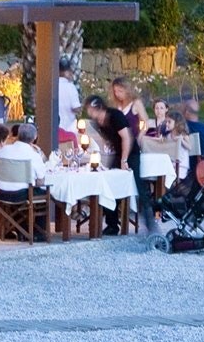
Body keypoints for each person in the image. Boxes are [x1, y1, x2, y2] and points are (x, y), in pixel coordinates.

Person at [87, 95, 142, 233]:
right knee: (109, 185)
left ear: (98, 107)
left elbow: (126, 137)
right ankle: (112, 224)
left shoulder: (115, 116)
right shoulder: (96, 122)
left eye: (91, 109)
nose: (89, 112)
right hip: (117, 153)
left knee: (137, 187)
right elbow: (108, 138)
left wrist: (124, 160)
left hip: (130, 153)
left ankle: (149, 218)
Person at [57, 62, 83, 144]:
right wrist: (83, 107)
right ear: (66, 72)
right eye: (71, 72)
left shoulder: (51, 85)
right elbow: (75, 108)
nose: (72, 74)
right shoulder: (70, 87)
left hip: (53, 128)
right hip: (68, 128)